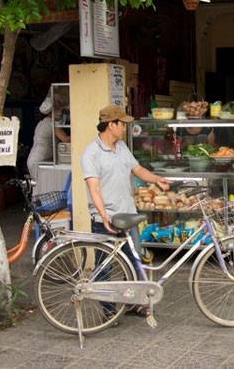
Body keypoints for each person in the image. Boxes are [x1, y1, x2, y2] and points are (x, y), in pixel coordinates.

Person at [81, 104, 170, 316]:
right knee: (105, 266)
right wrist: (103, 216)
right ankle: (108, 311)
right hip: (108, 218)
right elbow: (93, 187)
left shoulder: (121, 147)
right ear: (111, 125)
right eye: (122, 124)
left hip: (128, 216)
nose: (125, 128)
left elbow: (137, 169)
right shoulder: (91, 153)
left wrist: (158, 180)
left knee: (133, 261)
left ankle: (132, 303)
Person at [27, 89, 71, 180]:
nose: (62, 114)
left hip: (34, 159)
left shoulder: (42, 122)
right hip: (39, 161)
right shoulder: (51, 124)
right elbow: (65, 139)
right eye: (61, 111)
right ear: (53, 112)